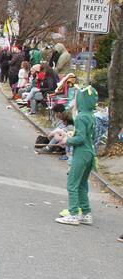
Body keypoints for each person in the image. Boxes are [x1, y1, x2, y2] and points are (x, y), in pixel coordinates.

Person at [55, 86, 99, 226]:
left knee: (72, 184)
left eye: (76, 97)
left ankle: (74, 214)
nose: (75, 100)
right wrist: (70, 135)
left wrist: (67, 140)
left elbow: (80, 139)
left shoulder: (80, 116)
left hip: (81, 153)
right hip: (89, 153)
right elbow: (86, 136)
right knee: (81, 185)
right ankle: (86, 213)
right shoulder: (90, 115)